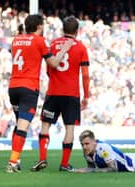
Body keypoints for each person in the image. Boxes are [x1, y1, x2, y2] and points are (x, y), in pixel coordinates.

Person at [6, 14, 73, 173]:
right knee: (23, 126)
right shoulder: (39, 41)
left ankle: (17, 159)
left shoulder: (16, 40)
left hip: (13, 86)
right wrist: (64, 49)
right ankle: (12, 162)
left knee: (18, 126)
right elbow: (54, 63)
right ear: (39, 27)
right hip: (28, 87)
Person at [30, 16, 90, 172]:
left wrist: (56, 79)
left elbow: (49, 68)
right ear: (77, 31)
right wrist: (87, 96)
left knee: (45, 125)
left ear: (63, 29)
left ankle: (42, 158)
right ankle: (64, 164)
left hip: (54, 92)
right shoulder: (81, 47)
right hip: (71, 94)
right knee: (69, 128)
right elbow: (85, 75)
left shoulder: (52, 44)